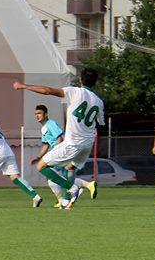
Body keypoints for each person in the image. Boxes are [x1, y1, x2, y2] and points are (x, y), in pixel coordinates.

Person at [13, 68, 102, 209]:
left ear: (80, 79)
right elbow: (100, 122)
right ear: (95, 82)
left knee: (41, 166)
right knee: (70, 167)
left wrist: (24, 86)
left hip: (73, 142)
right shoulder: (99, 101)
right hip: (88, 143)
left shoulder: (75, 92)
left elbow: (48, 90)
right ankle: (66, 201)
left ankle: (72, 188)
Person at [32, 105, 71, 208]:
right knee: (54, 178)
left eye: (39, 113)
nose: (37, 116)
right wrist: (38, 157)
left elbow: (60, 138)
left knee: (56, 176)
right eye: (35, 114)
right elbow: (46, 145)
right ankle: (63, 199)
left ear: (46, 114)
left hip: (62, 153)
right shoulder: (43, 128)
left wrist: (56, 152)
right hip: (58, 153)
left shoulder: (51, 124)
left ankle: (67, 196)